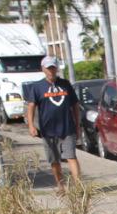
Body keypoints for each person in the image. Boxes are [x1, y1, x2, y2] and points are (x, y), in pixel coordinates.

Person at [23, 55, 82, 193]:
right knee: (54, 160)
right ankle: (60, 186)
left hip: (67, 128)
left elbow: (75, 105)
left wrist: (77, 124)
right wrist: (31, 126)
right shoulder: (37, 87)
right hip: (48, 130)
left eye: (53, 68)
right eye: (48, 68)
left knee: (71, 156)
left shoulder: (65, 84)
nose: (51, 71)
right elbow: (31, 107)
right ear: (43, 69)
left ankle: (79, 187)